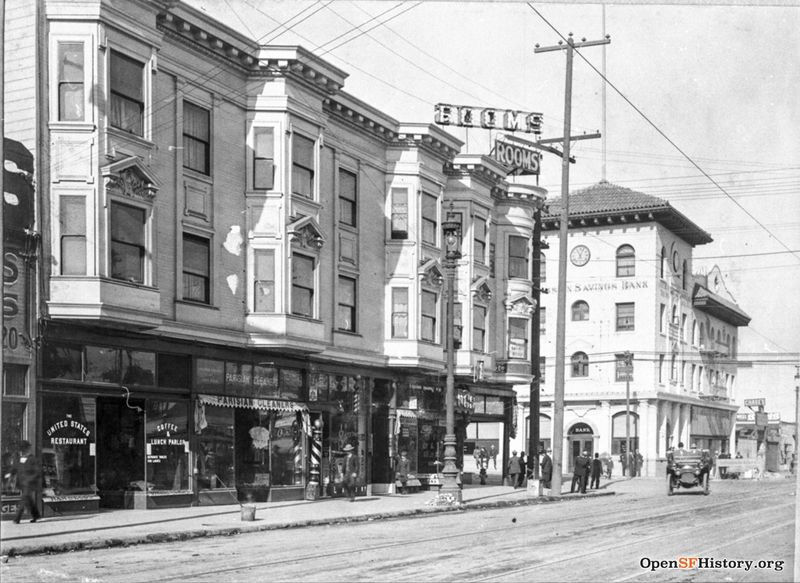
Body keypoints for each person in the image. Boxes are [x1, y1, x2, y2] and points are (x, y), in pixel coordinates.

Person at [9, 441, 41, 524]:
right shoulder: (18, 458)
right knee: (28, 499)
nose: (28, 450)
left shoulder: (33, 459)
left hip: (29, 483)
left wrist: (31, 479)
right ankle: (36, 515)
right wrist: (10, 475)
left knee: (23, 500)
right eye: (27, 448)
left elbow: (38, 472)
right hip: (21, 483)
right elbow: (14, 468)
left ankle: (17, 518)